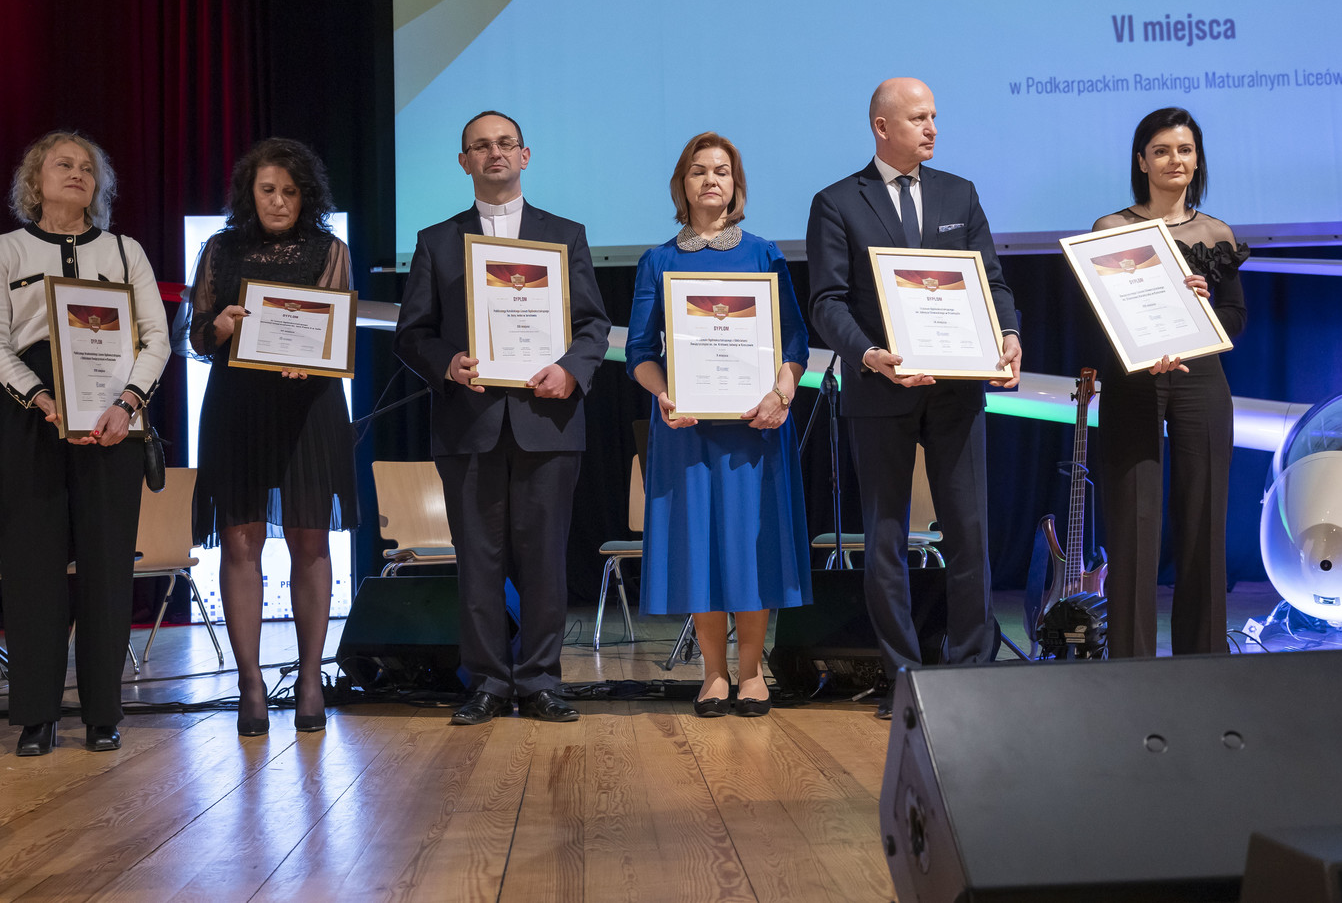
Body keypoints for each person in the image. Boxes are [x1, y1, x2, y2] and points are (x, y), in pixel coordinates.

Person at [806, 77, 1021, 717]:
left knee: (969, 531)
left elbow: (992, 283)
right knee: (886, 536)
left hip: (957, 389)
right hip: (881, 387)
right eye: (919, 118)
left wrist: (1008, 334)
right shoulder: (837, 202)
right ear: (882, 127)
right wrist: (869, 355)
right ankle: (904, 678)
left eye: (934, 117)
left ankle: (973, 672)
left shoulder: (960, 193)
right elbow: (827, 302)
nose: (932, 128)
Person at [394, 110, 609, 726]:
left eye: (506, 143)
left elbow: (593, 324)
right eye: (481, 146)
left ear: (525, 155)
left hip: (548, 420)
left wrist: (571, 370)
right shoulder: (436, 241)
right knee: (478, 562)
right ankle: (487, 681)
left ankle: (540, 681)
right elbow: (413, 334)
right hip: (469, 422)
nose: (495, 153)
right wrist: (447, 363)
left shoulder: (565, 235)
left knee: (545, 561)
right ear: (464, 162)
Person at [0, 131, 170, 755]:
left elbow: (156, 339)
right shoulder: (3, 250)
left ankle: (103, 712)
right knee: (32, 568)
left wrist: (127, 403)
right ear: (35, 179)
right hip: (29, 415)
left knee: (108, 568)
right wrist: (39, 397)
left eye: (88, 167)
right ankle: (37, 714)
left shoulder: (125, 250)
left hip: (113, 415)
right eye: (63, 164)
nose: (78, 172)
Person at [626, 132, 812, 717]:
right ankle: (713, 673)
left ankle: (752, 673)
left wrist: (781, 393)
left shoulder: (763, 255)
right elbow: (639, 352)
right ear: (682, 184)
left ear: (736, 185)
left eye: (722, 171)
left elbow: (795, 342)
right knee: (699, 545)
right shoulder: (658, 261)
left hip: (757, 425)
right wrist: (663, 394)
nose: (711, 179)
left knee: (750, 544)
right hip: (686, 427)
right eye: (699, 170)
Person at [179, 138, 356, 735]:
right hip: (238, 409)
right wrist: (221, 326)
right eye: (267, 189)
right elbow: (196, 337)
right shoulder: (220, 249)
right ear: (248, 193)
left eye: (290, 191)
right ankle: (250, 683)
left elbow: (335, 333)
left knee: (311, 542)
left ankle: (309, 679)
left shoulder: (330, 250)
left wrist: (314, 360)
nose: (278, 201)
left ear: (306, 196)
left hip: (310, 408)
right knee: (240, 544)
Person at [1093, 107, 1248, 657]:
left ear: (1197, 159)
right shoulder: (1110, 231)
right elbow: (1099, 318)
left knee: (1204, 520)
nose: (1173, 160)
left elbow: (1235, 316)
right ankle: (1131, 666)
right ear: (1141, 161)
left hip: (1200, 375)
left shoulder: (1216, 233)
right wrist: (1140, 351)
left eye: (1184, 150)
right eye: (1160, 151)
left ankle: (1202, 662)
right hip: (1135, 378)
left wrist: (1203, 312)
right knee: (1133, 525)